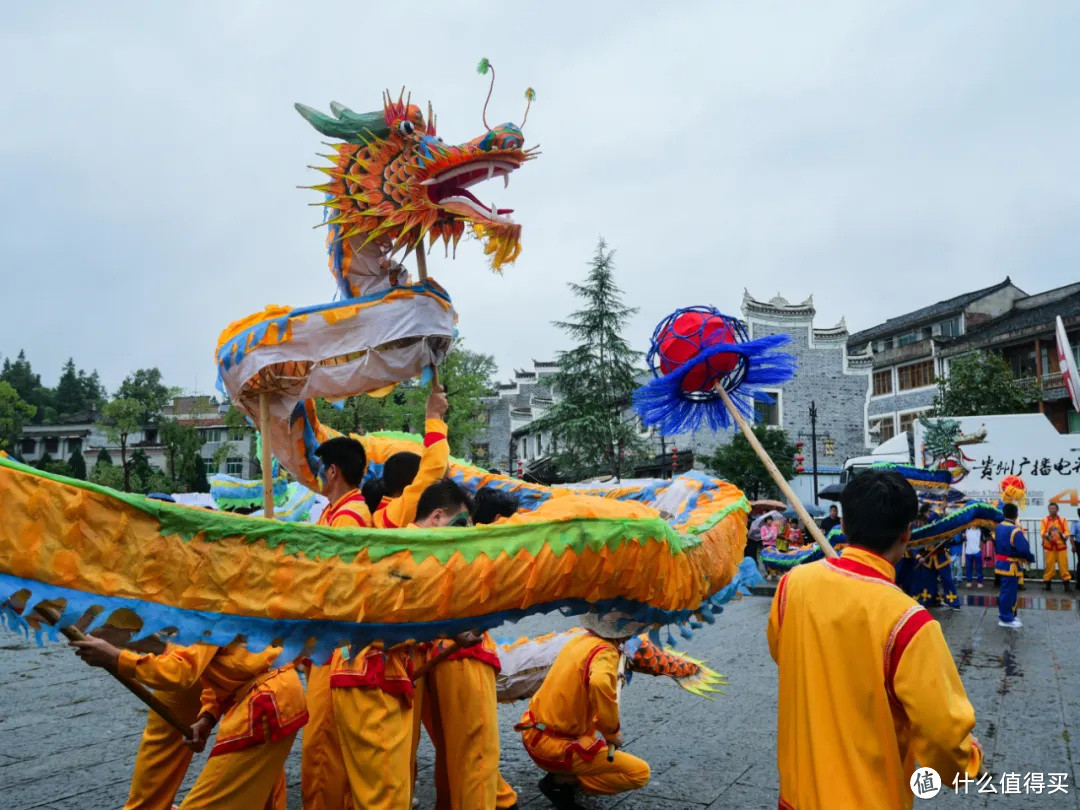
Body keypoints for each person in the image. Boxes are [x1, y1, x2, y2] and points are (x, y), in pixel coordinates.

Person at [767, 469, 983, 809]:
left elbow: (786, 652)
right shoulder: (909, 622)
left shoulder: (792, 585)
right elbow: (943, 735)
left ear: (847, 523)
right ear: (907, 532)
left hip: (797, 795)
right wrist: (966, 761)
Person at [332, 478, 474, 810]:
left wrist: (454, 632)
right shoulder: (403, 546)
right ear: (437, 516)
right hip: (368, 676)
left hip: (382, 676)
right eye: (460, 524)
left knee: (380, 793)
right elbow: (383, 614)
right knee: (385, 798)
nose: (461, 535)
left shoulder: (416, 551)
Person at [71, 638, 305, 809]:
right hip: (272, 697)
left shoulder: (206, 602)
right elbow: (223, 668)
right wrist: (207, 717)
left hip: (265, 704)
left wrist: (116, 657)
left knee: (214, 799)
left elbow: (179, 672)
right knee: (248, 790)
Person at [418, 480, 519, 810]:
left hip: (436, 660)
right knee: (474, 754)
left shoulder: (418, 545)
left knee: (455, 752)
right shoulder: (472, 554)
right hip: (460, 659)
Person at [516, 610, 651, 809]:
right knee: (640, 773)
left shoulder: (579, 640)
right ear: (627, 633)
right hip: (555, 748)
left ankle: (563, 775)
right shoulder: (605, 652)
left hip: (532, 732)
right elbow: (598, 682)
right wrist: (612, 733)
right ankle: (561, 781)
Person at [302, 434, 372, 810]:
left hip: (336, 645)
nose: (316, 476)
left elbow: (332, 587)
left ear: (333, 471)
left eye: (320, 469)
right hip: (325, 644)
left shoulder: (349, 518)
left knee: (322, 745)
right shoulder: (334, 512)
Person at [369, 385, 450, 528]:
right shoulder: (397, 514)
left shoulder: (382, 515)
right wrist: (433, 415)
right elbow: (434, 468)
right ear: (413, 484)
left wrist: (438, 416)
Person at [995, 503, 1035, 628]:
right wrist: (1030, 558)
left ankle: (1009, 615)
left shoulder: (999, 526)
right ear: (1016, 514)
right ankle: (1005, 618)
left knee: (1006, 591)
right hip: (1011, 564)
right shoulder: (1014, 530)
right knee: (1009, 592)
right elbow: (1023, 548)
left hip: (1002, 564)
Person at [1041, 502, 1072, 591]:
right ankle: (1047, 584)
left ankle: (1067, 585)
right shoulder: (1044, 520)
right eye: (1050, 509)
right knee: (1049, 566)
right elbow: (1042, 532)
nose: (1052, 510)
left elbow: (1067, 532)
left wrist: (1063, 536)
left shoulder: (1063, 520)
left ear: (1057, 509)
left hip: (1061, 547)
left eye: (1053, 508)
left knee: (1063, 566)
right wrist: (1048, 536)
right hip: (1049, 547)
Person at [1071, 508, 1080, 584]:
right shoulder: (1075, 524)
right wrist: (1073, 546)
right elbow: (1071, 536)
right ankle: (1078, 583)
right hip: (1079, 544)